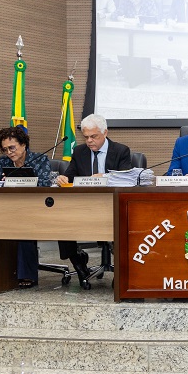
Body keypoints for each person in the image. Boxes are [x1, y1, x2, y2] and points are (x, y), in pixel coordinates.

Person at [56, 114, 132, 289]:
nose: (89, 141)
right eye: (86, 137)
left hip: (112, 206)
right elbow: (70, 175)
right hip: (85, 206)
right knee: (60, 220)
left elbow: (126, 178)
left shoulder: (121, 151)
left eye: (93, 136)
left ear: (105, 133)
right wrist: (62, 178)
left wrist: (105, 177)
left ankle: (121, 271)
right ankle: (78, 263)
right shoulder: (80, 152)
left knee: (123, 221)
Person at [0, 126, 52, 289]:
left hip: (35, 207)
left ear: (23, 144)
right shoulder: (3, 161)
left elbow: (46, 183)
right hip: (9, 207)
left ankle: (27, 274)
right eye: (5, 149)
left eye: (12, 147)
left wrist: (22, 177)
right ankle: (1, 271)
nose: (9, 152)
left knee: (23, 226)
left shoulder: (39, 159)